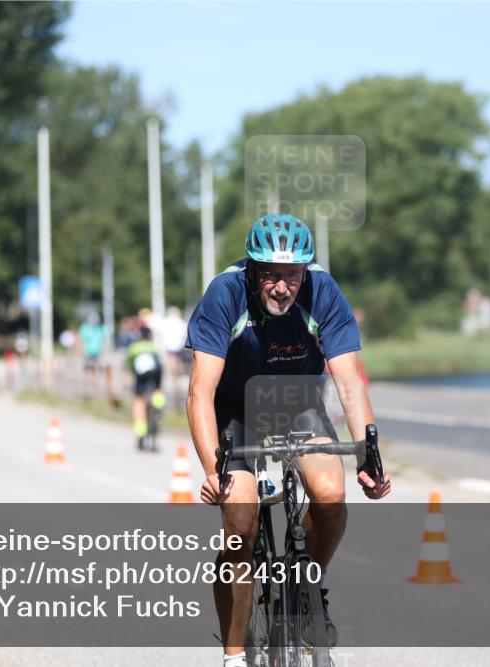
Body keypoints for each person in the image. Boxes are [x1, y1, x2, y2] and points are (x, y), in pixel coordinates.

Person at [185, 214, 391, 666]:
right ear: (254, 271)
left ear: (304, 271)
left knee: (331, 495)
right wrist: (211, 469)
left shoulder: (322, 291)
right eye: (272, 276)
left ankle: (306, 586)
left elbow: (349, 382)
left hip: (297, 403)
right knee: (241, 524)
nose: (282, 287)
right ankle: (234, 654)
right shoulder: (226, 292)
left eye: (292, 275)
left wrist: (368, 455)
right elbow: (200, 391)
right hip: (234, 409)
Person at [126, 326, 164, 449]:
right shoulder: (153, 346)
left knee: (139, 400)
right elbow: (159, 360)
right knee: (158, 388)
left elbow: (130, 363)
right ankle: (158, 406)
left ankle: (141, 431)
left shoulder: (134, 347)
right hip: (156, 371)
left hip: (141, 374)